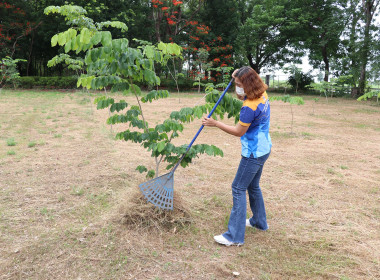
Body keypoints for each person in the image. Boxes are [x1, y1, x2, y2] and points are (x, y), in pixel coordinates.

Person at [202, 66, 272, 246]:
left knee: (238, 188)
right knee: (253, 186)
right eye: (235, 83)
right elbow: (244, 89)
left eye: (239, 84)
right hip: (264, 148)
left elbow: (238, 131)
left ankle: (234, 236)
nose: (236, 87)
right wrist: (237, 75)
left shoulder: (249, 107)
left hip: (253, 153)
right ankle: (259, 222)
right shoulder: (262, 95)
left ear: (247, 84)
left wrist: (215, 123)